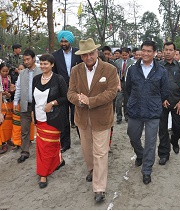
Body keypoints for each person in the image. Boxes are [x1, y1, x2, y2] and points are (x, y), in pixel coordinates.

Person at [67, 38, 118, 202]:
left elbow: (111, 93)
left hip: (102, 118)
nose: (88, 57)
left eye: (91, 53)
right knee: (87, 150)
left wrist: (91, 100)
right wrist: (79, 100)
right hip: (82, 118)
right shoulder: (75, 71)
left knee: (100, 152)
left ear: (97, 52)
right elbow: (70, 93)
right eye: (85, 54)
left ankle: (99, 188)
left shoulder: (109, 69)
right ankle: (91, 170)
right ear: (81, 56)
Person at [126, 40, 168, 185]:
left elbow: (164, 92)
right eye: (143, 50)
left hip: (153, 112)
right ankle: (140, 154)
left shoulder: (161, 71)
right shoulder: (132, 69)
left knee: (151, 142)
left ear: (155, 53)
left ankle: (147, 170)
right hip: (135, 110)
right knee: (132, 136)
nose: (145, 53)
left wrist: (155, 102)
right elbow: (128, 89)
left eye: (149, 51)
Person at [32, 53, 68, 189]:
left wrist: (52, 103)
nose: (43, 66)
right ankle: (59, 161)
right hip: (39, 118)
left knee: (48, 147)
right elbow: (33, 99)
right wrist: (32, 114)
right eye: (40, 63)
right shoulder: (36, 79)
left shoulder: (59, 79)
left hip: (54, 118)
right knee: (41, 147)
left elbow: (66, 97)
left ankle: (43, 174)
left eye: (45, 64)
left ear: (52, 65)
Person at [158, 42, 180, 165]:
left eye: (170, 50)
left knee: (178, 127)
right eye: (165, 49)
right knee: (162, 129)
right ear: (162, 51)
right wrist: (162, 98)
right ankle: (163, 154)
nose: (167, 52)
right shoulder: (158, 66)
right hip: (162, 103)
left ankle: (175, 141)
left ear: (175, 52)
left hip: (177, 102)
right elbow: (155, 84)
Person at [52, 30, 83, 153]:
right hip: (62, 91)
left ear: (70, 41)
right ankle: (65, 144)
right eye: (61, 41)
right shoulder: (55, 55)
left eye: (65, 41)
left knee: (78, 117)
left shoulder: (78, 53)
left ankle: (83, 141)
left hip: (77, 89)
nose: (63, 43)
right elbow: (54, 74)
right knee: (63, 118)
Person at [14, 49, 42, 163]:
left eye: (28, 59)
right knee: (24, 129)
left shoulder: (41, 70)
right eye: (24, 60)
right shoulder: (23, 73)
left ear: (34, 58)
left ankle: (42, 150)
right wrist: (16, 101)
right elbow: (19, 87)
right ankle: (25, 151)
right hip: (25, 104)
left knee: (41, 127)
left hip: (38, 105)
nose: (26, 62)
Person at [114, 47, 134, 123]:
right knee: (118, 101)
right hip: (119, 83)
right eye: (123, 55)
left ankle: (127, 116)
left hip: (128, 83)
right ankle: (119, 117)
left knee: (127, 101)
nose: (124, 56)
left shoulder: (132, 63)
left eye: (126, 55)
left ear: (129, 54)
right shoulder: (117, 62)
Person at [0, 63, 12, 154]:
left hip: (8, 103)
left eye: (6, 71)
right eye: (3, 71)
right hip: (1, 103)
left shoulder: (9, 78)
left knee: (8, 122)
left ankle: (8, 139)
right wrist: (5, 93)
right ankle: (3, 142)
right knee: (2, 124)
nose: (5, 73)